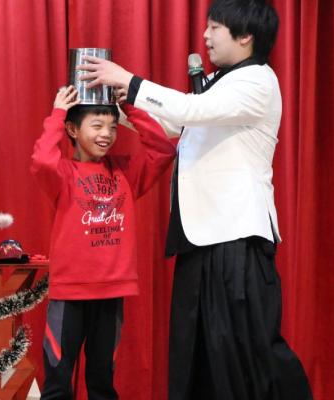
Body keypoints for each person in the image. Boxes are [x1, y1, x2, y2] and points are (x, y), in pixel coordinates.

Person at [77, 1, 313, 399]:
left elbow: (192, 109)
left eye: (215, 27)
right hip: (199, 238)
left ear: (245, 36)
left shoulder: (258, 80)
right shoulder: (219, 82)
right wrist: (119, 104)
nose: (205, 36)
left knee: (247, 349)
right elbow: (174, 122)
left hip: (236, 237)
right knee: (197, 353)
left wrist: (131, 81)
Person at [31, 85, 176, 399]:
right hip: (70, 293)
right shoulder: (64, 173)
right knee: (57, 384)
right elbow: (43, 161)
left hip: (112, 292)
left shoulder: (125, 172)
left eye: (112, 127)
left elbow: (163, 150)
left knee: (101, 383)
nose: (106, 134)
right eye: (97, 125)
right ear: (73, 129)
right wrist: (58, 114)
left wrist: (131, 109)